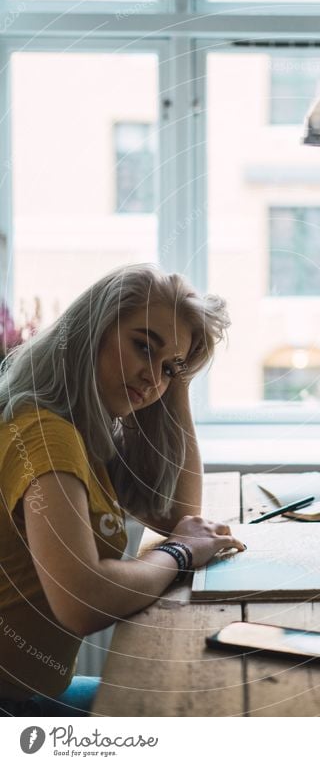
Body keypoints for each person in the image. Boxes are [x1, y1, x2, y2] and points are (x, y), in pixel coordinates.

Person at [0, 264, 245, 716]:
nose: (154, 378)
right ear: (91, 330)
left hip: (34, 693)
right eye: (143, 347)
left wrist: (179, 382)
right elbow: (82, 600)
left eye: (169, 367)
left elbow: (179, 514)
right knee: (201, 717)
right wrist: (178, 554)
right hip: (12, 706)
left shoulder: (79, 427)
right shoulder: (42, 433)